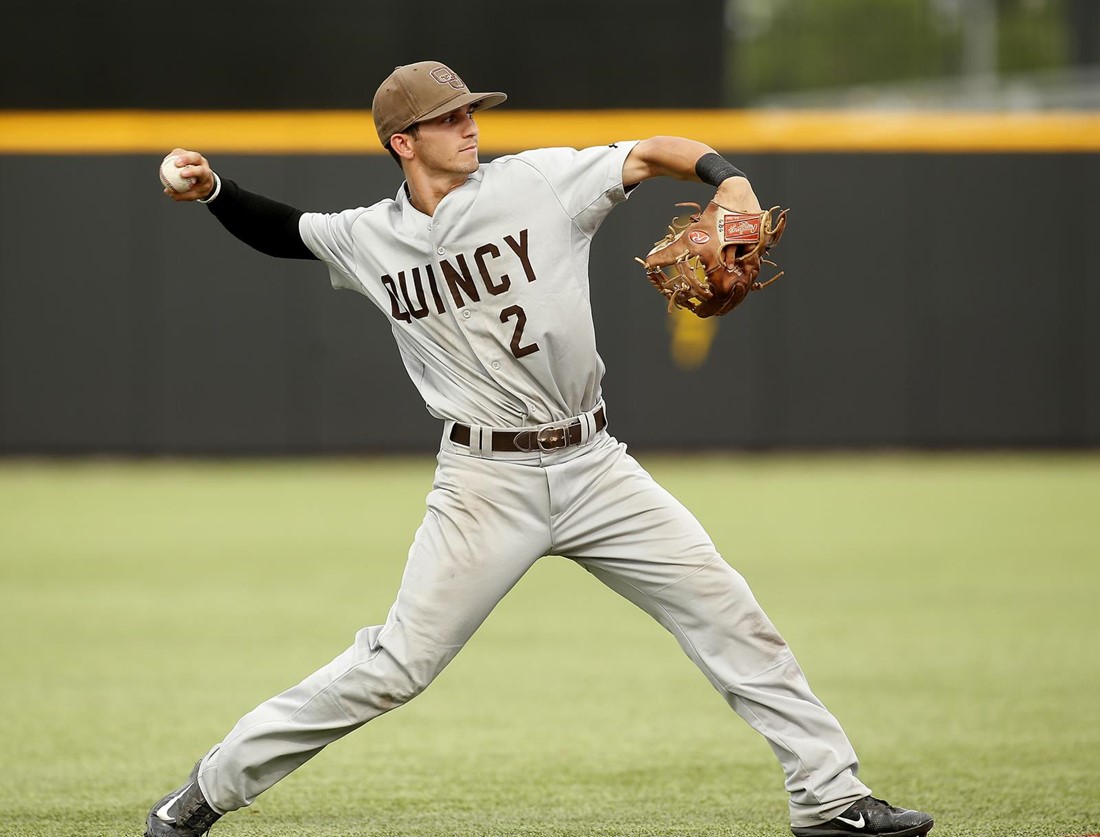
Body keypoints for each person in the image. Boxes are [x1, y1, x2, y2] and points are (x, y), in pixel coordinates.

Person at [146, 61, 933, 837]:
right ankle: (207, 789)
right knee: (395, 666)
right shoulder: (370, 237)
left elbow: (650, 152)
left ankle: (829, 794)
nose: (469, 125)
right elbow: (285, 231)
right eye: (448, 118)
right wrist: (213, 190)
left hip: (595, 465)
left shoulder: (538, 182)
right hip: (483, 483)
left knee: (728, 611)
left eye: (470, 111)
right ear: (402, 143)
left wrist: (729, 179)